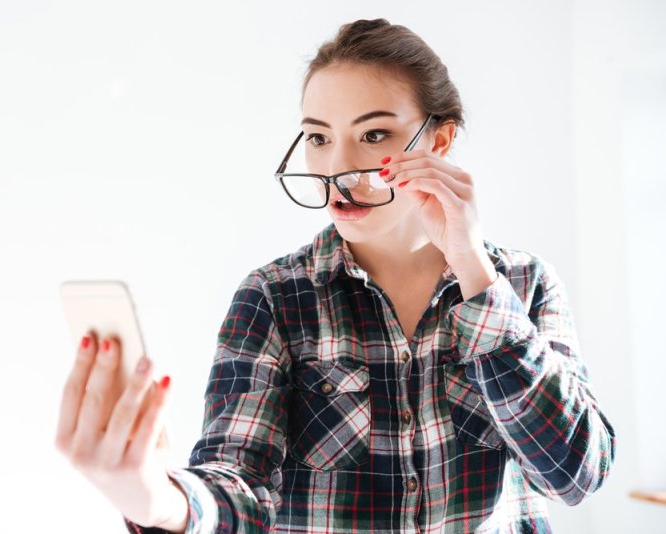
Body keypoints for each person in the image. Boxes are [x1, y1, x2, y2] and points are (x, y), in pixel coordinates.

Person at [55, 18, 617, 533]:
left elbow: (576, 475)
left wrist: (474, 270)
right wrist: (156, 500)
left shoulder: (523, 286)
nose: (336, 169)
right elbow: (238, 485)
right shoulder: (274, 298)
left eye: (373, 135)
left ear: (439, 142)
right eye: (319, 137)